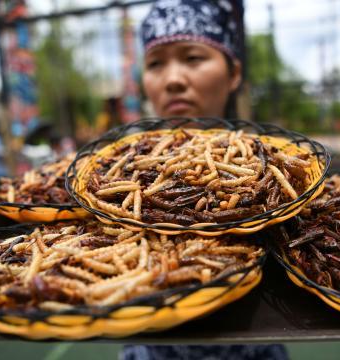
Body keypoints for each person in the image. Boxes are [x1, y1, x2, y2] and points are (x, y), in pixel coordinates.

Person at [120, 1, 288, 359]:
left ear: (234, 73)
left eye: (193, 58)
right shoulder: (118, 167)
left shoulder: (278, 163)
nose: (173, 79)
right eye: (155, 64)